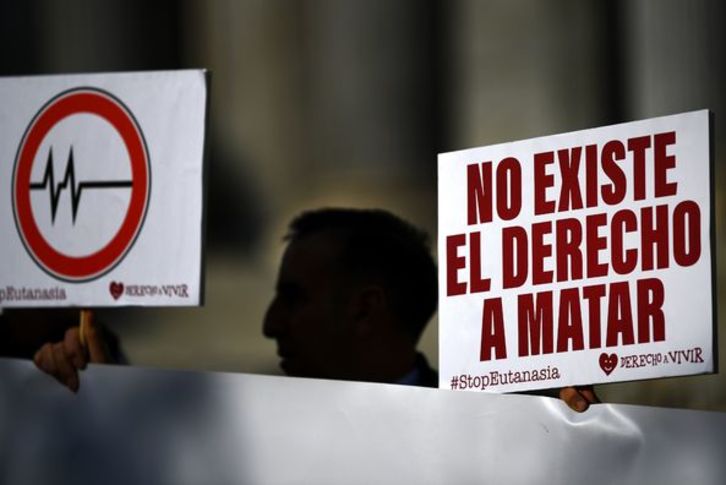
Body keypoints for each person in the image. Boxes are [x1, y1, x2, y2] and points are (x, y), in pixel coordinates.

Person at [32, 207, 597, 411]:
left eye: (293, 298)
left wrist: (577, 432)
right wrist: (100, 397)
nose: (268, 324)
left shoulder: (505, 423)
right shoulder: (235, 429)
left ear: (364, 309)